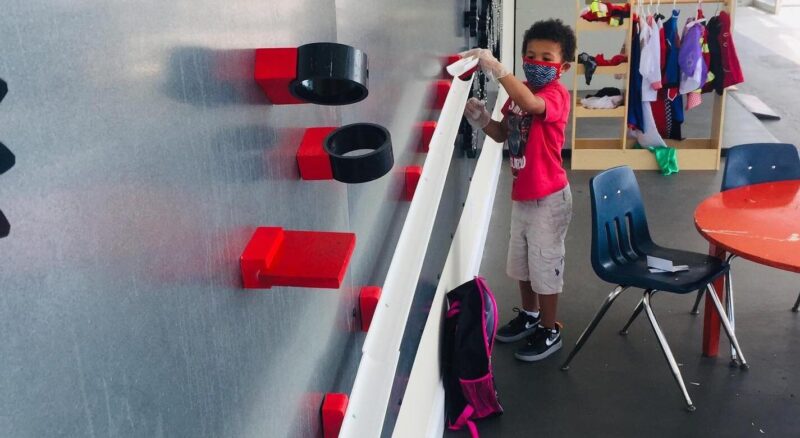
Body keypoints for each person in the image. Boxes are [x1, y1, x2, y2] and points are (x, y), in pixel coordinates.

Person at [461, 19, 575, 362]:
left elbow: (531, 102)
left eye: (546, 58)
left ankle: (550, 329)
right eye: (530, 55)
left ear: (563, 66)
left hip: (550, 199)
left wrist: (496, 69)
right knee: (522, 265)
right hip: (523, 196)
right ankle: (530, 315)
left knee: (545, 265)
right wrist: (481, 120)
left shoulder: (556, 95)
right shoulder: (518, 95)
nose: (536, 63)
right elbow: (501, 134)